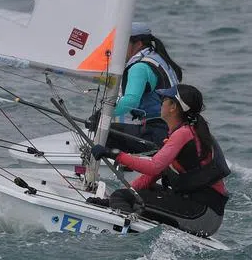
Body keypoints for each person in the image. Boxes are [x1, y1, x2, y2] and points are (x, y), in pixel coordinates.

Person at [90, 83, 230, 238]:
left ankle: (124, 237)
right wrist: (113, 199)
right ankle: (123, 217)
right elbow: (152, 176)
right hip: (201, 212)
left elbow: (154, 167)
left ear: (173, 107)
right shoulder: (185, 132)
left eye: (164, 99)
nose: (161, 102)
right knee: (126, 195)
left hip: (202, 217)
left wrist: (114, 154)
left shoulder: (184, 134)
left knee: (124, 198)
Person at [88, 22, 185, 153]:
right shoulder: (158, 58)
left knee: (105, 133)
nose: (117, 48)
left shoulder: (139, 67)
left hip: (157, 133)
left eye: (123, 43)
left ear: (138, 44)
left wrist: (102, 114)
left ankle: (120, 170)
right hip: (174, 129)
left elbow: (131, 101)